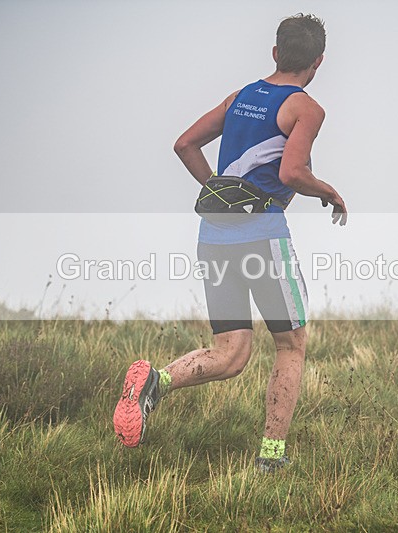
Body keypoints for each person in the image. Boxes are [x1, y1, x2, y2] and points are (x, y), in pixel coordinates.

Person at [113, 13, 346, 472]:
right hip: (263, 238)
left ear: (275, 52)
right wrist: (331, 193)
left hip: (214, 237)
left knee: (231, 353)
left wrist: (218, 192)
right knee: (290, 343)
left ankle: (155, 382)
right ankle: (272, 458)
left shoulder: (240, 97)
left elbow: (184, 144)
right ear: (318, 62)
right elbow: (291, 173)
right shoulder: (306, 108)